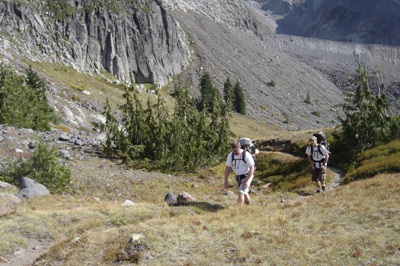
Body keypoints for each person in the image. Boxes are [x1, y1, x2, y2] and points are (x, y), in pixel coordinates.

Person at [224, 140, 255, 205]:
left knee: (240, 192)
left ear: (239, 147)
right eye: (233, 150)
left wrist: (246, 181)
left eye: (236, 150)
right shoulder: (230, 155)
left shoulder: (246, 155)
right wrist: (226, 179)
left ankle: (238, 210)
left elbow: (252, 168)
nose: (235, 152)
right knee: (244, 192)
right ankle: (248, 205)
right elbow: (228, 167)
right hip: (238, 177)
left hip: (247, 175)